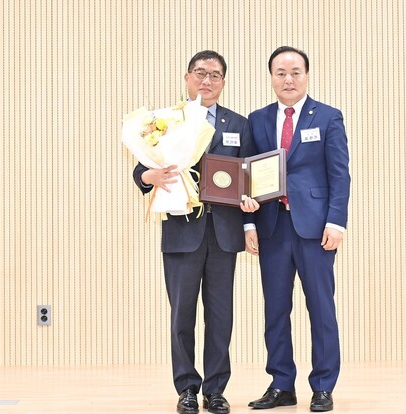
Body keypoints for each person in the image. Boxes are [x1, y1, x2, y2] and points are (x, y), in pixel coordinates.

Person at [132, 50, 259, 414]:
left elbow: (250, 176)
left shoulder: (239, 124)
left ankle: (216, 390)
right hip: (182, 232)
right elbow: (141, 170)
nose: (207, 80)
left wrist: (250, 217)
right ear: (187, 78)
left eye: (214, 75)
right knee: (182, 315)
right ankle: (187, 387)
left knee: (220, 315)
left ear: (223, 82)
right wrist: (150, 176)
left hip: (224, 234)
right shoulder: (166, 121)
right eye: (200, 73)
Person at [244, 46, 351, 412]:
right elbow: (246, 176)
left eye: (295, 72)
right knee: (275, 310)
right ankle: (281, 385)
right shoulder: (257, 120)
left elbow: (340, 175)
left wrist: (336, 222)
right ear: (271, 77)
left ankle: (323, 386)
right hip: (272, 227)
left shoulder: (328, 117)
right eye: (280, 73)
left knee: (321, 308)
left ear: (306, 75)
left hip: (316, 229)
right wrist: (248, 222)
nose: (288, 79)